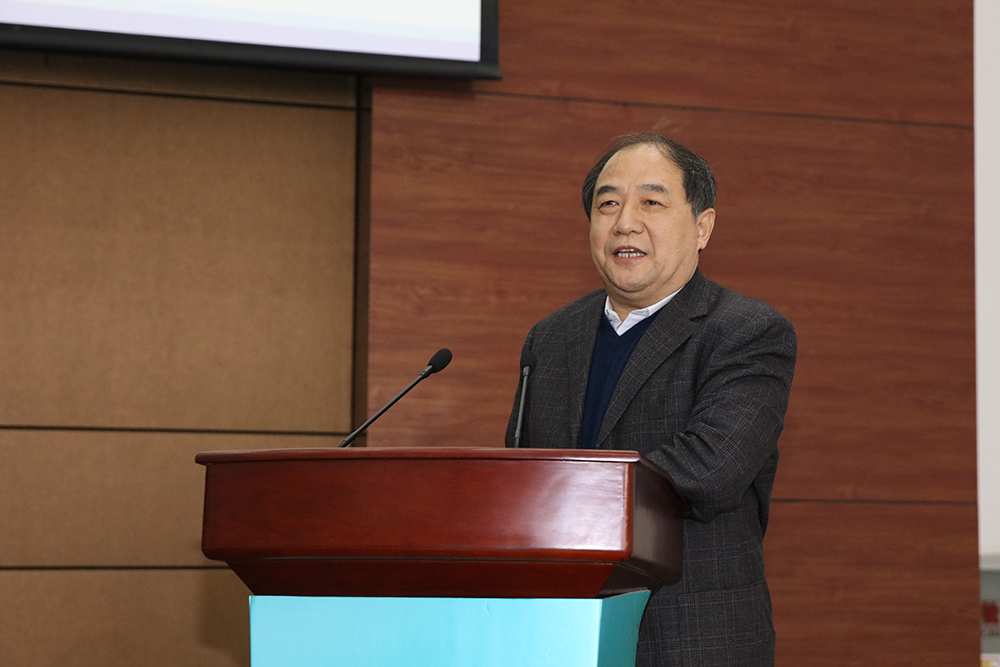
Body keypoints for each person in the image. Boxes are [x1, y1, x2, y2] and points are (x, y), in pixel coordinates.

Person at [505, 132, 797, 666]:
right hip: (559, 633)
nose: (625, 223)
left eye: (652, 203)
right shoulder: (550, 338)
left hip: (692, 638)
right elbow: (522, 473)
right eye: (608, 204)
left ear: (703, 227)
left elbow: (710, 468)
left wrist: (569, 496)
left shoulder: (747, 331)